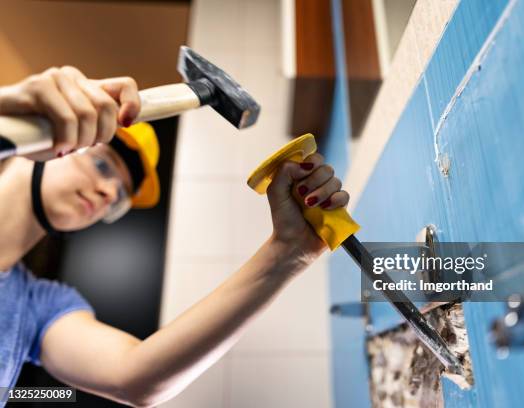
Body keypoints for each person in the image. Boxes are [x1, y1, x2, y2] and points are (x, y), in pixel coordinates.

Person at [0, 67, 349, 406]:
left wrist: (288, 252)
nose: (109, 192)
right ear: (55, 141)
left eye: (121, 195)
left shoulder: (37, 308)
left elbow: (135, 377)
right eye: (103, 165)